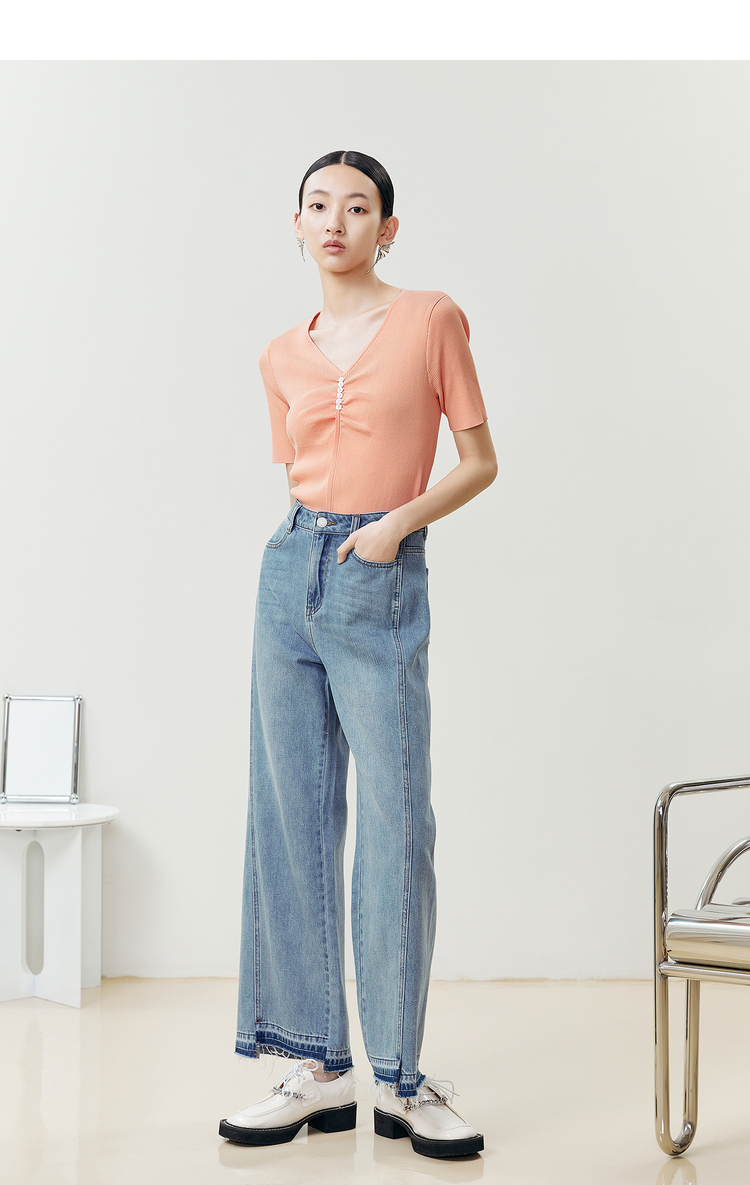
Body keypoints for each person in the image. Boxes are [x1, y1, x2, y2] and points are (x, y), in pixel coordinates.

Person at [219, 150, 497, 1160]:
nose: (335, 220)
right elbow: (298, 473)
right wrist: (324, 542)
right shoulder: (278, 355)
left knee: (395, 822)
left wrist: (394, 527)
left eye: (358, 206)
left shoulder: (431, 319)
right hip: (289, 569)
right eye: (318, 205)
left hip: (381, 570)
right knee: (289, 813)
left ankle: (403, 1079)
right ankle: (317, 1066)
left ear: (388, 227)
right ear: (296, 224)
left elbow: (480, 461)